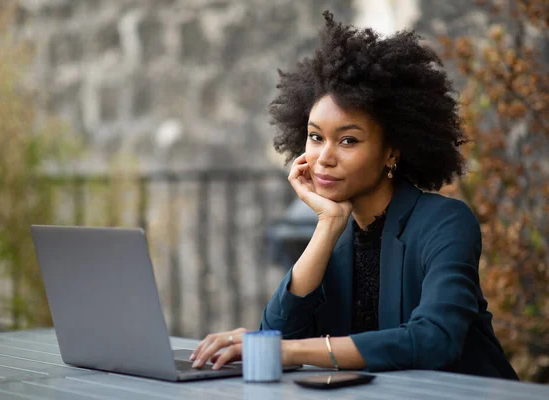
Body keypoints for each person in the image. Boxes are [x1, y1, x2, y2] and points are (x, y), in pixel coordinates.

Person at [190, 11, 519, 380]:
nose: (324, 157)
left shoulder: (444, 222)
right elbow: (281, 331)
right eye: (316, 137)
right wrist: (327, 226)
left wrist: (284, 349)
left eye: (348, 140)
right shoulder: (338, 235)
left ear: (392, 151)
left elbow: (435, 339)